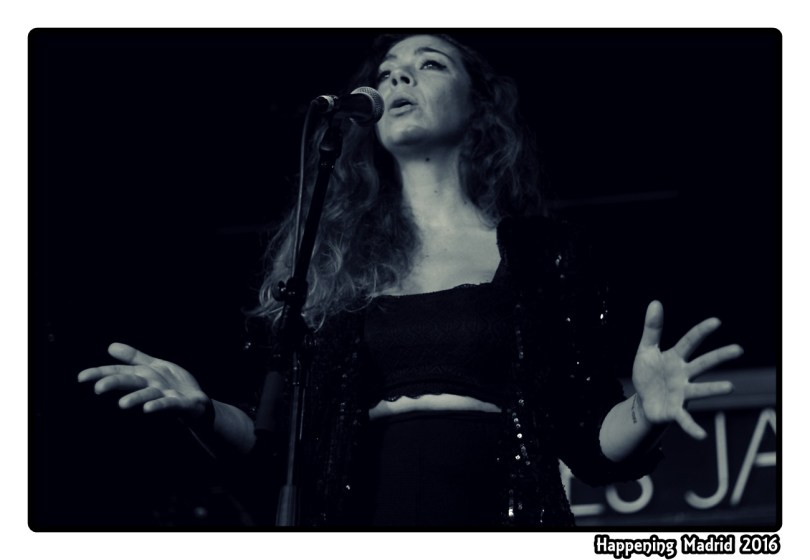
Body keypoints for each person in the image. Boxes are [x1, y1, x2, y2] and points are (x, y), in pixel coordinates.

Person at [77, 34, 743, 528]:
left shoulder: (543, 254)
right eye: (388, 71)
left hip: (503, 519)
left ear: (478, 106)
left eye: (429, 64)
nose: (398, 77)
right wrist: (203, 411)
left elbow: (590, 443)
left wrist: (644, 411)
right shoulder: (330, 265)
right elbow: (279, 450)